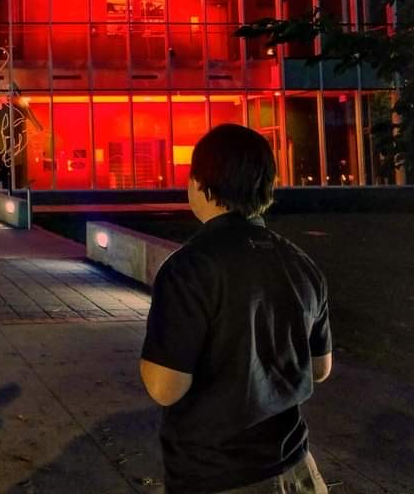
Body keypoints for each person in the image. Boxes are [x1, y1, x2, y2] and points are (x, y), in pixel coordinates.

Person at [140, 124, 333, 494]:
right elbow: (320, 368)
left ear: (199, 182)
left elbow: (165, 387)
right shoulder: (301, 263)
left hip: (218, 474)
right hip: (296, 469)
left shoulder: (189, 268)